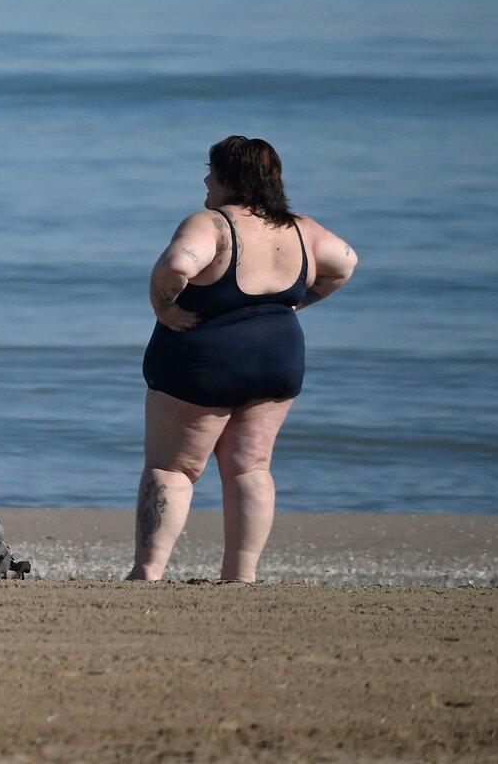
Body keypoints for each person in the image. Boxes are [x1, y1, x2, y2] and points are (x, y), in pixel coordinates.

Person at [131, 136, 358, 583]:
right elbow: (346, 263)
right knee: (250, 468)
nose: (205, 179)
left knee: (173, 468)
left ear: (230, 179)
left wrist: (165, 308)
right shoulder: (300, 228)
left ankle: (148, 571)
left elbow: (178, 265)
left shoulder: (212, 224)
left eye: (211, 171)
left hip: (206, 362)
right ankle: (241, 574)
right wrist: (296, 303)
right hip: (277, 359)